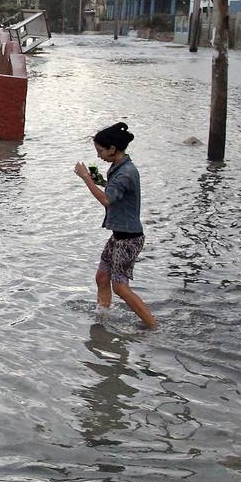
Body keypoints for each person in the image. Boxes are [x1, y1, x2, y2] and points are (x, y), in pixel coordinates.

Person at [74, 122, 157, 328]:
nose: (99, 155)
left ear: (113, 149)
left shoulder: (126, 172)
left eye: (101, 150)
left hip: (129, 239)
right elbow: (114, 192)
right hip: (118, 236)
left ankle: (153, 326)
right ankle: (103, 319)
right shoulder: (119, 167)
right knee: (102, 277)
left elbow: (107, 200)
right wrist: (100, 181)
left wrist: (86, 179)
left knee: (120, 287)